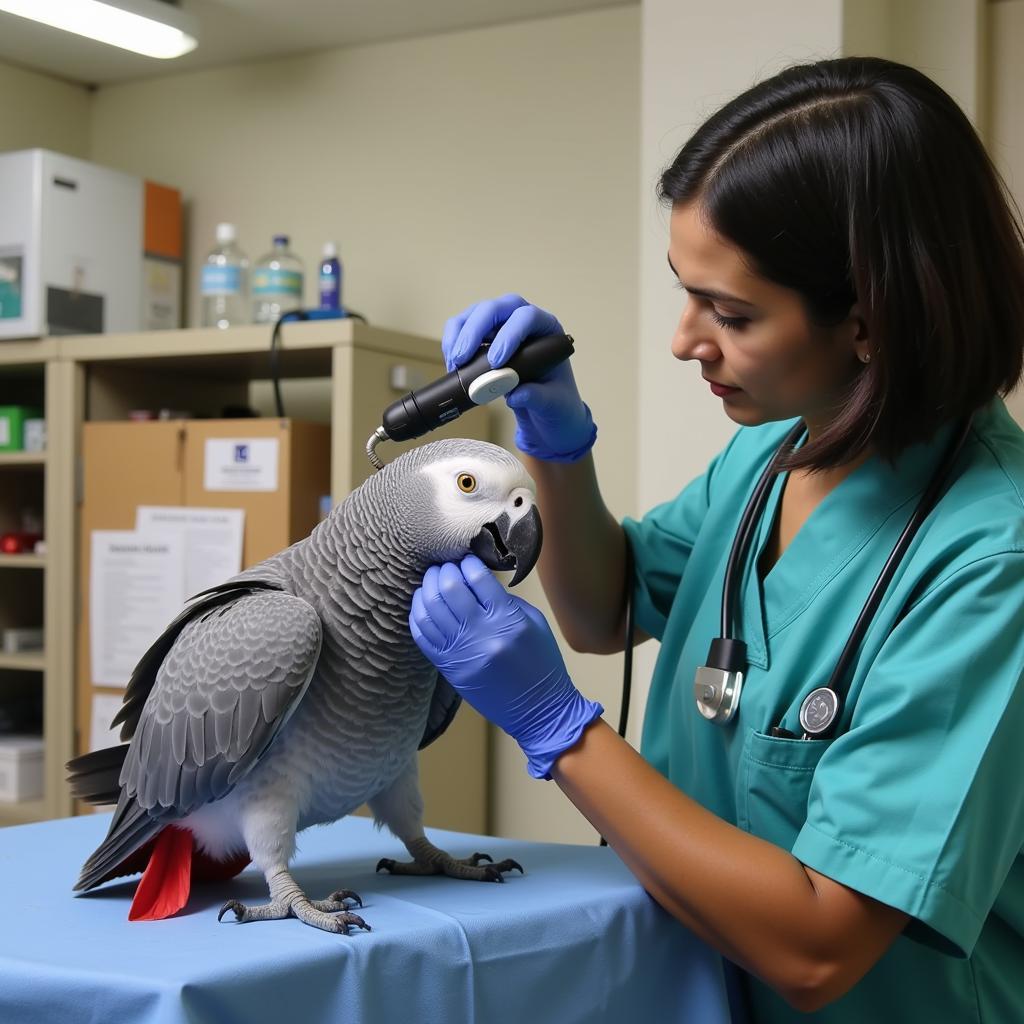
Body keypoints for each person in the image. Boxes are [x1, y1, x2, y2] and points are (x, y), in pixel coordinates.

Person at [408, 57, 1024, 1021]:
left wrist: (560, 731)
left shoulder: (991, 565)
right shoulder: (780, 452)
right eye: (685, 291)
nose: (685, 339)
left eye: (731, 313)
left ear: (869, 319)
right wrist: (557, 445)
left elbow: (820, 947)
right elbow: (604, 609)